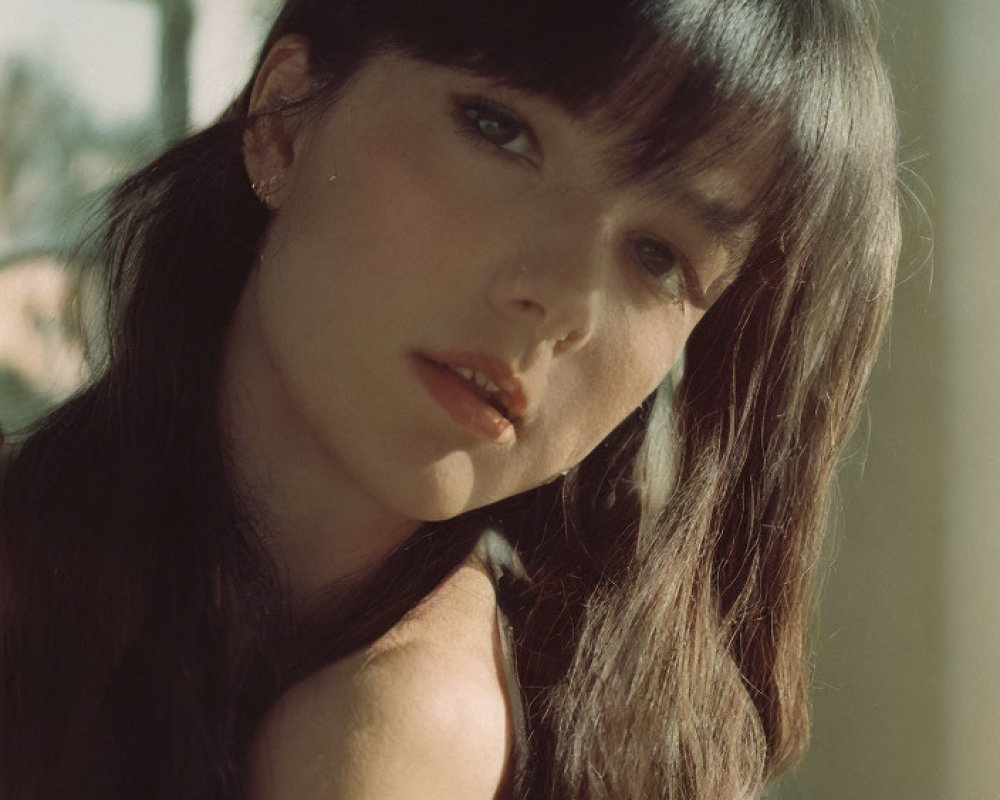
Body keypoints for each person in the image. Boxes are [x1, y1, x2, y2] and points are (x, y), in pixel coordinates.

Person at [0, 0, 900, 798]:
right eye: (500, 130)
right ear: (284, 119)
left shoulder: (415, 727)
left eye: (657, 256)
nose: (559, 299)